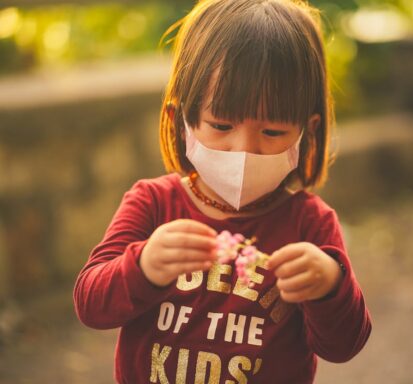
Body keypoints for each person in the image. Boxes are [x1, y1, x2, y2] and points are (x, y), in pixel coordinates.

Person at [73, 0, 372, 383]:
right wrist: (143, 266)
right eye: (220, 125)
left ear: (306, 131)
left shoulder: (310, 224)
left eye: (272, 132)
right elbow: (91, 305)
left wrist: (330, 284)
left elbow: (344, 346)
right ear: (181, 121)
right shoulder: (152, 203)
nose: (243, 151)